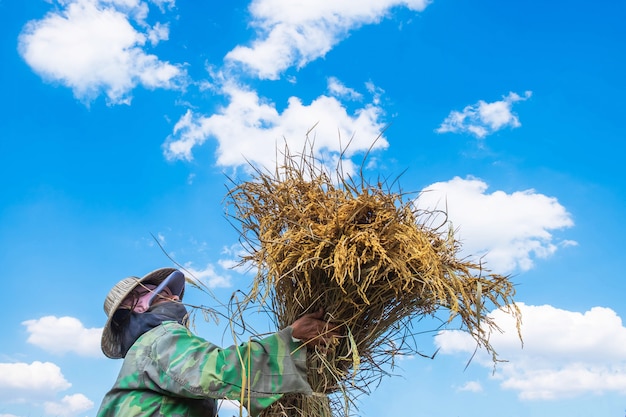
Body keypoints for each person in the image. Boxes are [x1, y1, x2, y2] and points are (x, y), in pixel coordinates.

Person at [97, 267, 337, 417]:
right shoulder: (159, 338)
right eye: (161, 292)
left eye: (174, 292)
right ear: (136, 306)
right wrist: (291, 338)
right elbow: (218, 370)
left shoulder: (139, 353)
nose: (174, 296)